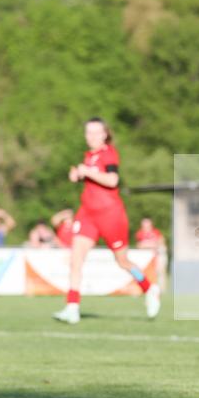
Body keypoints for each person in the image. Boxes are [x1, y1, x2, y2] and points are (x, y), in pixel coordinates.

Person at [52, 118, 160, 324]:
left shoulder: (109, 153)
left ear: (104, 134)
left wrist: (88, 172)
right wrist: (78, 175)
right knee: (76, 260)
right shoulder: (88, 156)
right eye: (88, 133)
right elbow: (91, 179)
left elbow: (113, 180)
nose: (91, 137)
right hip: (87, 214)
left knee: (122, 261)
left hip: (110, 215)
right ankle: (72, 307)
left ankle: (149, 287)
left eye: (96, 132)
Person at [135, 217, 168, 291]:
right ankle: (148, 288)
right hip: (146, 258)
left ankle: (162, 289)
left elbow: (161, 243)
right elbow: (139, 246)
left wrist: (147, 244)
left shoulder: (156, 232)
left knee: (160, 272)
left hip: (157, 256)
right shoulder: (140, 233)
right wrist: (151, 244)